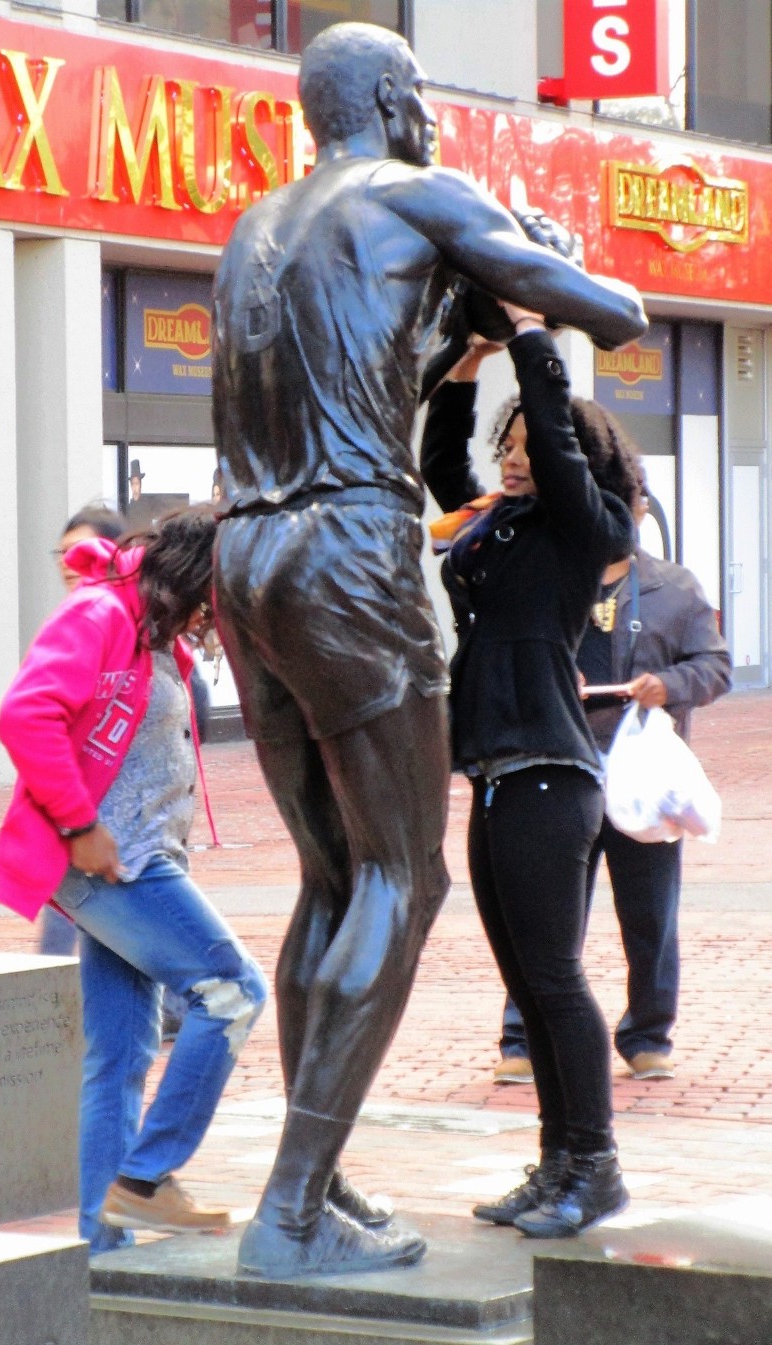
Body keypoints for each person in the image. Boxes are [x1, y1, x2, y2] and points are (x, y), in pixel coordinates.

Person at [210, 19, 647, 1278]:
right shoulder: (417, 191)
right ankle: (293, 1211)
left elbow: (373, 381)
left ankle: (317, 1178)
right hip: (345, 548)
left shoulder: (255, 231)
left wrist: (460, 321)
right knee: (402, 878)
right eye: (427, 102)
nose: (435, 123)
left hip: (247, 547)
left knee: (331, 879)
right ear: (397, 101)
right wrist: (538, 263)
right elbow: (616, 316)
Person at [0, 506, 267, 1255]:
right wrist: (79, 823)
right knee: (233, 990)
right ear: (194, 575)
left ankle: (101, 1250)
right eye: (218, 595)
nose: (218, 613)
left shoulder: (151, 631)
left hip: (134, 858)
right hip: (113, 862)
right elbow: (25, 714)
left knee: (119, 1056)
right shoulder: (100, 613)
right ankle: (145, 1181)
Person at [421, 312, 642, 1239]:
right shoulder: (497, 526)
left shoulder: (585, 528)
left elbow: (556, 441)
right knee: (523, 975)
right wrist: (465, 365)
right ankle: (557, 1162)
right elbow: (441, 463)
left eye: (526, 448)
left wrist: (528, 337)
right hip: (493, 772)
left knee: (553, 977)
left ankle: (596, 1166)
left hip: (550, 770)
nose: (513, 460)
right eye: (505, 447)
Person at [495, 492, 732, 1084]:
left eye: (624, 506)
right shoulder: (546, 581)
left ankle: (648, 1036)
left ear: (640, 511)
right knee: (544, 916)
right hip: (558, 767)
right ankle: (522, 1039)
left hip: (641, 778)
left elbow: (715, 667)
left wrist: (668, 684)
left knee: (651, 915)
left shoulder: (675, 588)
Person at [40, 505, 129, 956]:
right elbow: (30, 717)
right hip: (84, 812)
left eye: (81, 550)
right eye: (62, 552)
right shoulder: (81, 620)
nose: (67, 562)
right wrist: (76, 819)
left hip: (130, 817)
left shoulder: (116, 617)